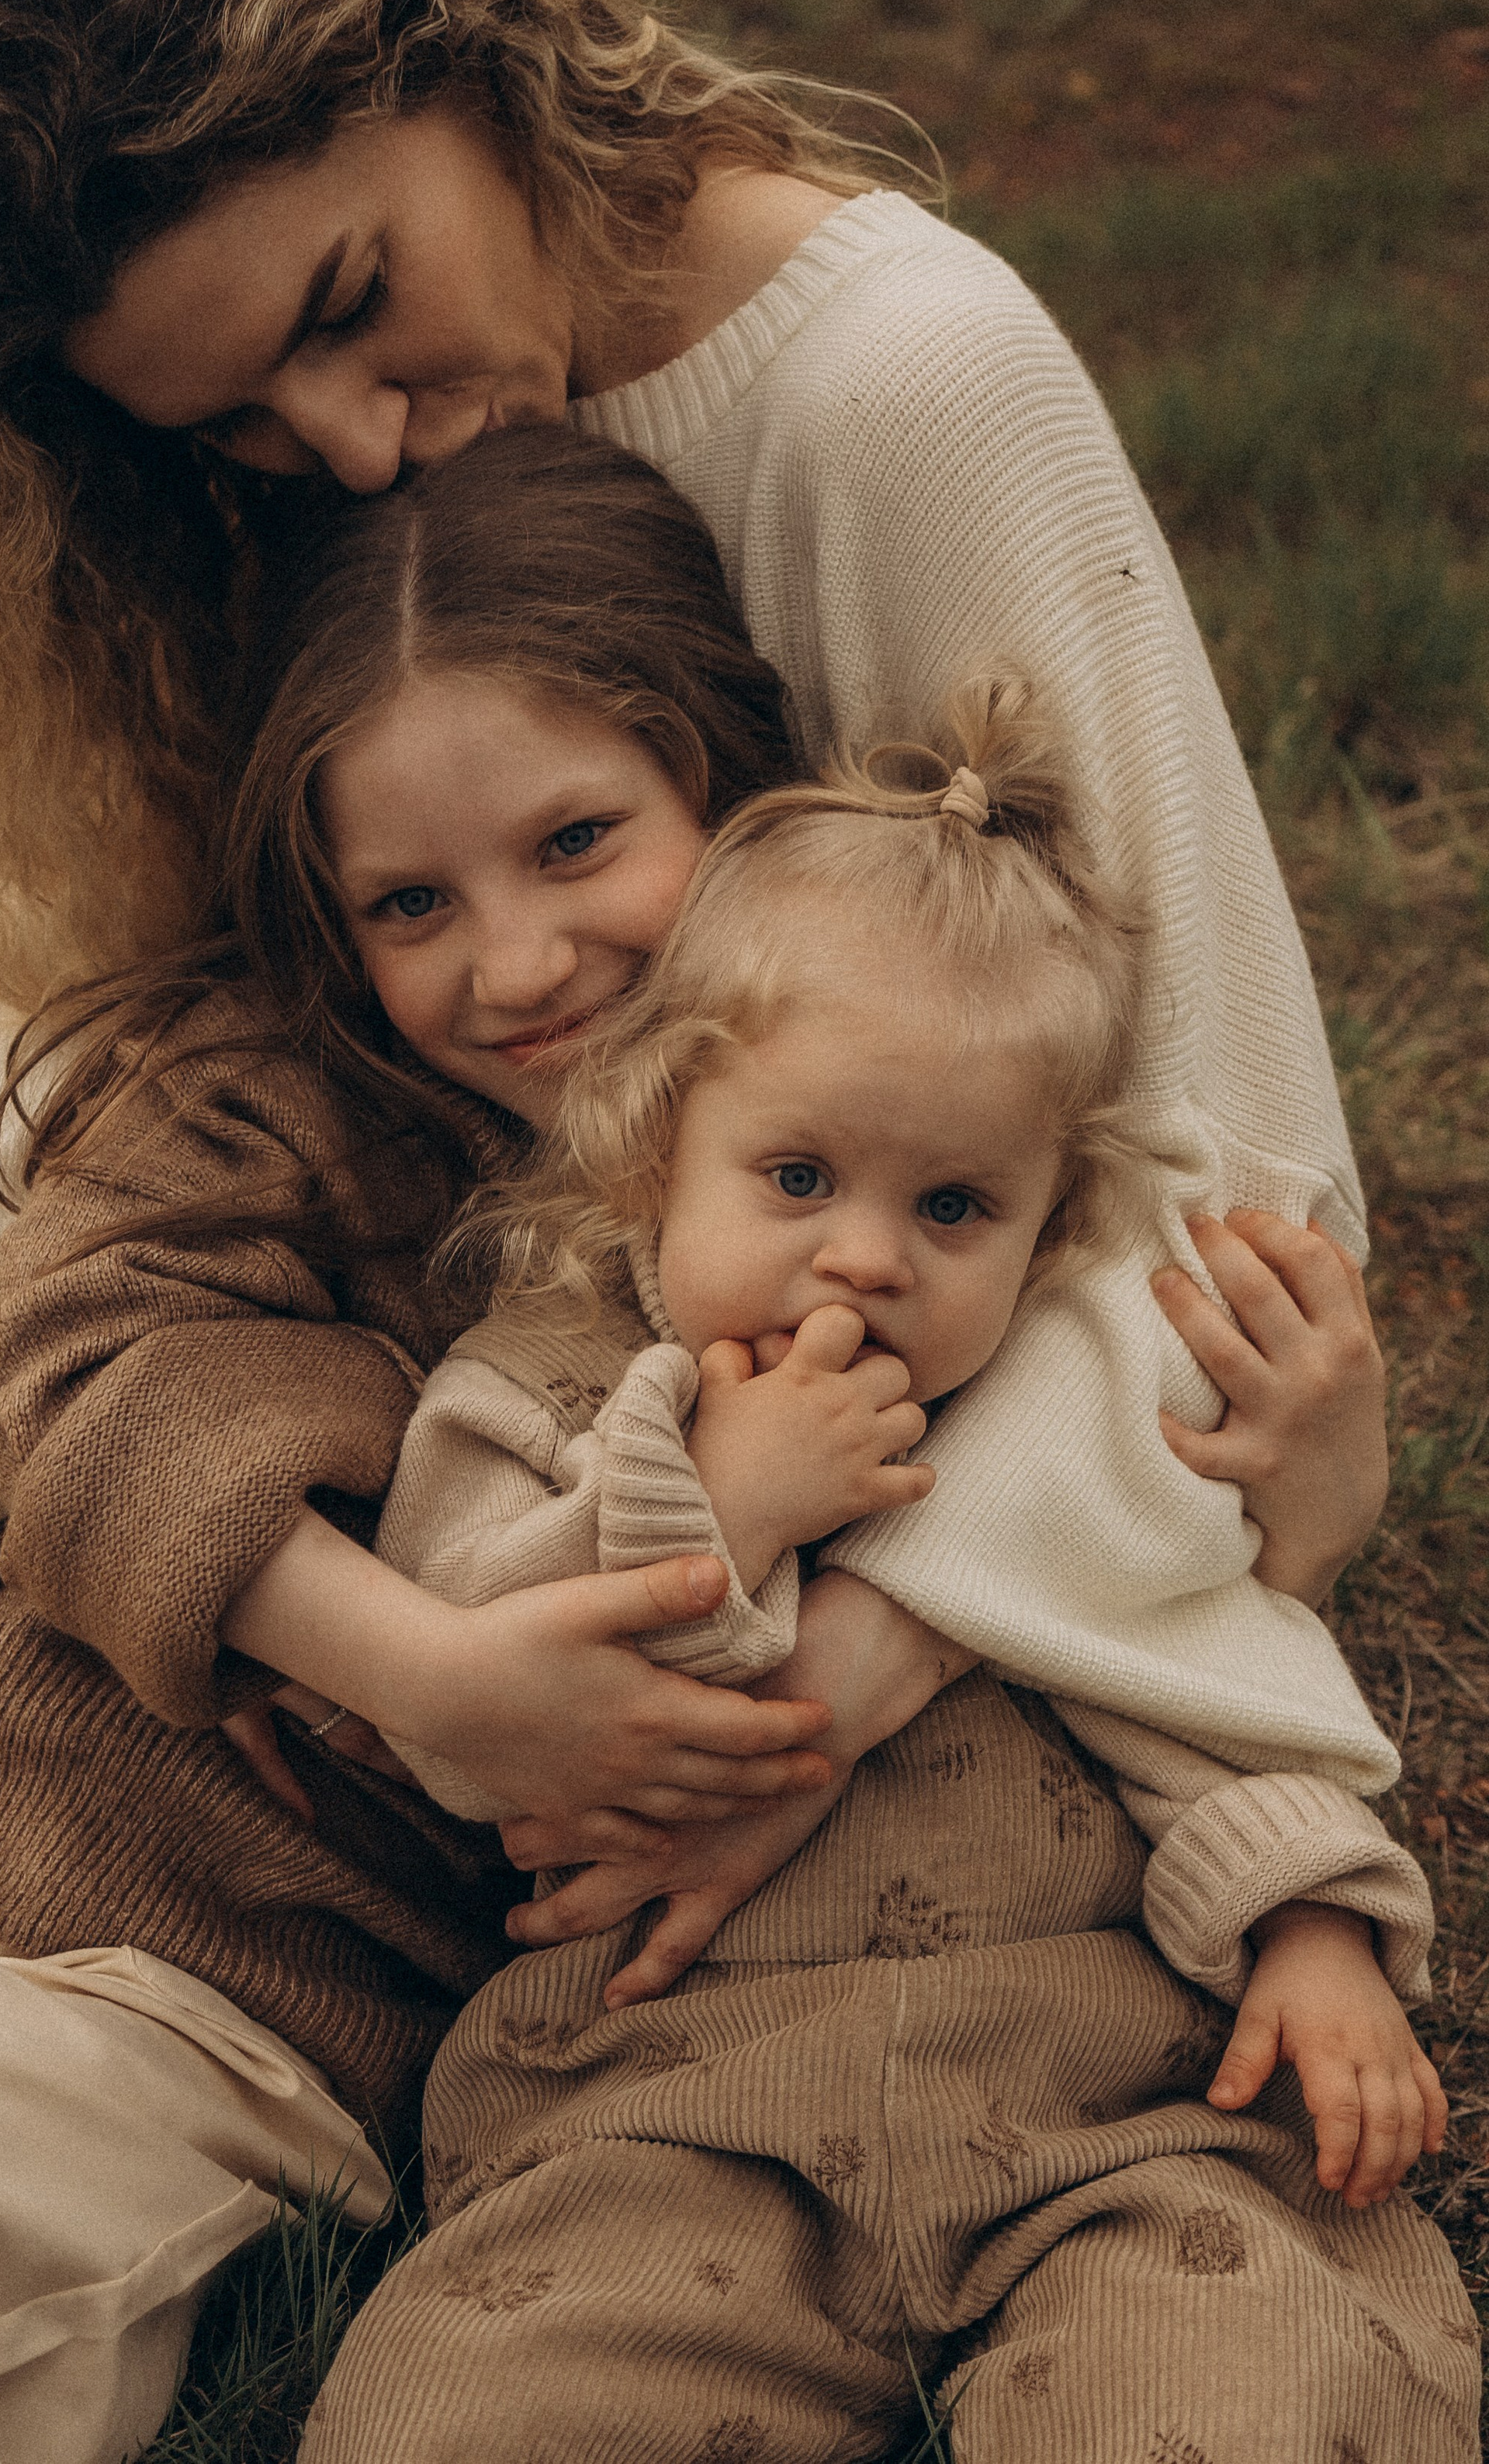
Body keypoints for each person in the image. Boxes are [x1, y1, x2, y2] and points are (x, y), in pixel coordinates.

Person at [0, 0, 1425, 2447]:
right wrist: (338, 1608)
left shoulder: (889, 384)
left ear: (445, 38)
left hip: (729, 1316)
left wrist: (787, 1702)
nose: (362, 454)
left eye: (344, 309)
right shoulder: (293, 524)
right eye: (238, 436)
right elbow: (112, 1118)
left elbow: (1210, 1187)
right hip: (340, 1284)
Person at [296, 666, 1473, 2459]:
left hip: (1100, 2101)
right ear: (645, 1145)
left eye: (950, 1209)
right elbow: (460, 1692)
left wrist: (1309, 1928)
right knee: (467, 2411)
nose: (862, 1259)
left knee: (1226, 2369)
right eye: (792, 1176)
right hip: (667, 2109)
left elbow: (1204, 1672)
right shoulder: (538, 1394)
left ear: (1041, 1220)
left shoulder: (1057, 1424)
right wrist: (723, 1499)